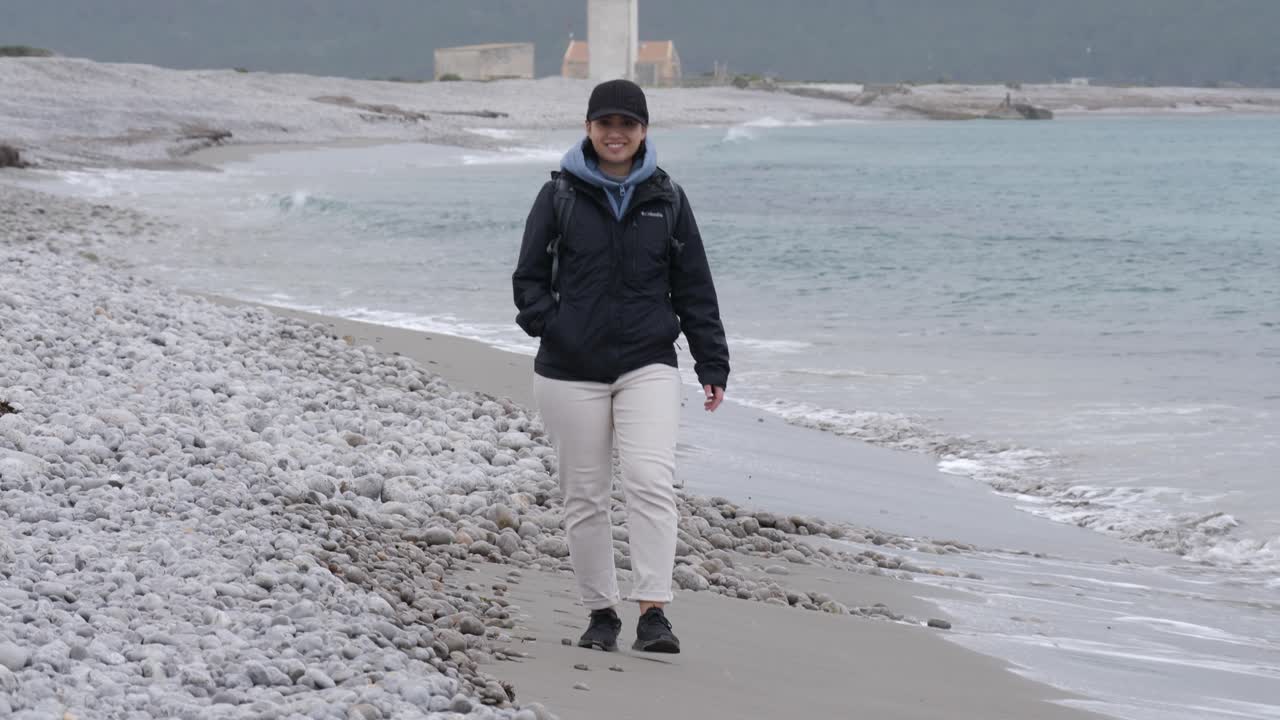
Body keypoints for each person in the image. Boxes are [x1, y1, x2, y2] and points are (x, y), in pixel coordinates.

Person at [512, 79, 730, 653]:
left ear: (643, 132)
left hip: (647, 362)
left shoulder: (668, 198)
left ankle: (654, 612)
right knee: (584, 494)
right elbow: (528, 280)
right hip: (567, 367)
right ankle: (600, 612)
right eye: (605, 123)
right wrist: (552, 325)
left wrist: (712, 360)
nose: (616, 134)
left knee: (649, 480)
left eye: (627, 125)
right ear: (588, 128)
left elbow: (694, 287)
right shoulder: (557, 194)